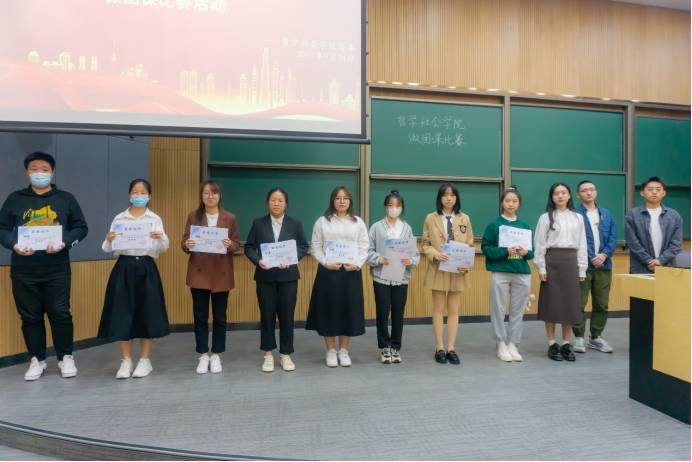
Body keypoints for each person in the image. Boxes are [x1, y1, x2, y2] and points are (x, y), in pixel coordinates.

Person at [0, 152, 88, 382]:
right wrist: (14, 245)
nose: (39, 173)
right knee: (30, 317)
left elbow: (81, 228)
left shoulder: (66, 199)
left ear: (52, 173)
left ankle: (66, 357)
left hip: (57, 268)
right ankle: (36, 360)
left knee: (60, 314)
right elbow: (2, 229)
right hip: (23, 270)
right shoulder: (15, 199)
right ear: (27, 173)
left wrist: (64, 243)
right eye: (34, 169)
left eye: (44, 169)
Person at [99, 179, 170, 379]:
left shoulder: (154, 218)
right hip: (124, 267)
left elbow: (163, 248)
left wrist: (160, 237)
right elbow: (108, 248)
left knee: (147, 313)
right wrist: (109, 239)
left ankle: (145, 361)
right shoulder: (120, 218)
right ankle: (126, 361)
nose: (139, 196)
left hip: (146, 267)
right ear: (129, 195)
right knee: (123, 313)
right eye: (135, 192)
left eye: (143, 192)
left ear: (149, 196)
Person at [245, 188, 309, 373]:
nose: (276, 203)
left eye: (280, 200)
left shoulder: (295, 223)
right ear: (268, 202)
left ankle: (286, 353)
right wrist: (259, 261)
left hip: (288, 277)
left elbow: (303, 246)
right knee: (267, 316)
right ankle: (268, 355)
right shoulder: (258, 223)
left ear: (286, 203)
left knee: (287, 316)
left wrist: (292, 259)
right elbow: (249, 247)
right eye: (273, 200)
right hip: (265, 277)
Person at [182, 181, 240, 375]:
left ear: (220, 196)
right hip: (199, 272)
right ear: (201, 196)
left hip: (221, 272)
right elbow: (184, 242)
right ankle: (203, 355)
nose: (210, 196)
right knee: (200, 317)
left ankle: (216, 355)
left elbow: (236, 244)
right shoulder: (193, 216)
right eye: (206, 193)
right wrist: (188, 244)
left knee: (220, 317)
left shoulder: (230, 217)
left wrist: (229, 244)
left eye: (214, 193)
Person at [306, 186, 368, 368]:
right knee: (329, 310)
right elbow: (316, 247)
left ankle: (344, 351)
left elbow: (364, 247)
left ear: (350, 201)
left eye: (346, 198)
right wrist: (326, 263)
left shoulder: (358, 222)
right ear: (332, 200)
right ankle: (331, 351)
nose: (342, 201)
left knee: (348, 310)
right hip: (328, 272)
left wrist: (358, 264)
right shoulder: (322, 222)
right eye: (338, 198)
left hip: (351, 272)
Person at [421, 183, 474, 366]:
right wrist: (434, 254)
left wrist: (466, 265)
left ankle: (451, 348)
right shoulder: (431, 218)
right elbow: (425, 244)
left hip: (458, 271)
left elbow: (470, 245)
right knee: (438, 308)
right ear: (440, 198)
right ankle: (440, 348)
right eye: (445, 195)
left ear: (457, 198)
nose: (449, 198)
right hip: (438, 268)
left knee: (453, 309)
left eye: (452, 195)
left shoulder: (464, 218)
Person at [534, 183, 588, 362]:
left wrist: (582, 268)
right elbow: (540, 244)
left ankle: (566, 343)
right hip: (552, 261)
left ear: (570, 195)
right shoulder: (545, 218)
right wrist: (541, 267)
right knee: (551, 303)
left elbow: (582, 244)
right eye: (556, 193)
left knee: (569, 305)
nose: (560, 196)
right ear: (552, 197)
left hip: (571, 261)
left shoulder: (578, 218)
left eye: (564, 193)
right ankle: (552, 344)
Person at [366, 190, 420, 365]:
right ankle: (384, 347)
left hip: (401, 277)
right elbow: (367, 251)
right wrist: (378, 259)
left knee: (398, 313)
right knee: (382, 312)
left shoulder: (407, 228)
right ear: (385, 207)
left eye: (398, 205)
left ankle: (396, 346)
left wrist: (410, 260)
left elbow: (415, 254)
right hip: (381, 276)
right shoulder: (376, 227)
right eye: (391, 205)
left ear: (402, 208)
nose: (394, 208)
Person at [481, 186, 534, 363]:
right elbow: (486, 248)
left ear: (519, 203)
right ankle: (500, 344)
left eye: (514, 201)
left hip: (522, 273)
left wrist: (526, 252)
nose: (511, 204)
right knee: (498, 309)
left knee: (518, 311)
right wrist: (504, 251)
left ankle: (513, 344)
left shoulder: (524, 226)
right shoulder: (494, 225)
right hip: (501, 272)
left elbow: (532, 253)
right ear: (502, 203)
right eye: (507, 201)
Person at [573, 180, 617, 354]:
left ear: (596, 192)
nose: (589, 193)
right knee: (579, 303)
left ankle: (596, 337)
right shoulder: (574, 214)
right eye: (584, 190)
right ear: (578, 195)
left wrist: (604, 254)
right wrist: (591, 256)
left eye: (592, 189)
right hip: (582, 266)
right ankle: (578, 337)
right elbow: (577, 239)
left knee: (602, 304)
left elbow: (613, 237)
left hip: (604, 266)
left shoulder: (606, 214)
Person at [625, 177, 683, 275]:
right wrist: (649, 261)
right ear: (642, 193)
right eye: (650, 189)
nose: (654, 192)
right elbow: (632, 242)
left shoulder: (674, 216)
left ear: (664, 193)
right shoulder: (632, 215)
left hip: (667, 267)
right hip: (640, 268)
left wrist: (660, 261)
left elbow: (676, 244)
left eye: (658, 189)